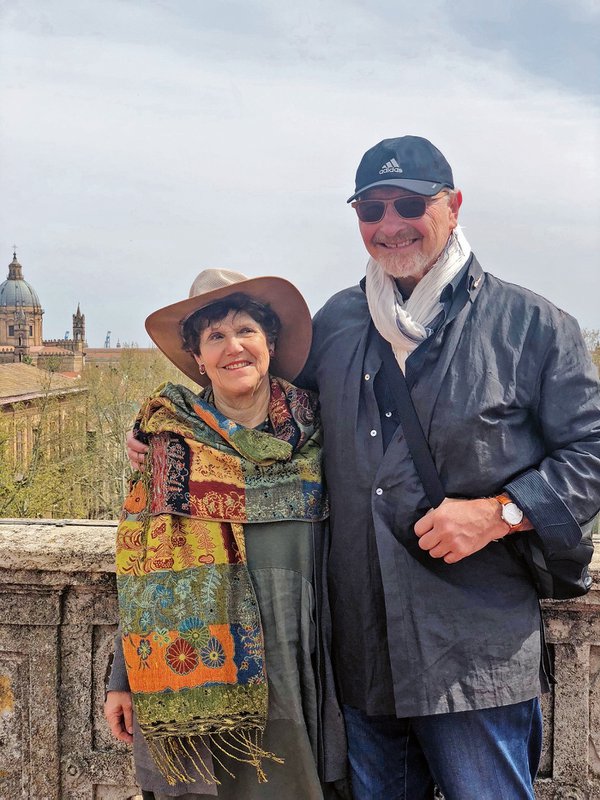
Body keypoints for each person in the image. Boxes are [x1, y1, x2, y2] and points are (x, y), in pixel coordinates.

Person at [128, 136, 600, 800]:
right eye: (371, 208)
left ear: (453, 206)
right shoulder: (341, 324)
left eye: (410, 203)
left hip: (475, 656)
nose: (390, 223)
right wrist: (161, 431)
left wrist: (501, 514)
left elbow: (592, 452)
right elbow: (258, 413)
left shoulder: (532, 326)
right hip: (363, 659)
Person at [106, 269, 346, 800]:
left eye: (246, 331)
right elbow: (139, 567)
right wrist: (120, 677)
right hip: (195, 664)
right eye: (215, 336)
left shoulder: (323, 429)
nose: (232, 347)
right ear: (197, 357)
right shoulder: (168, 442)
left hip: (300, 654)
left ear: (270, 343)